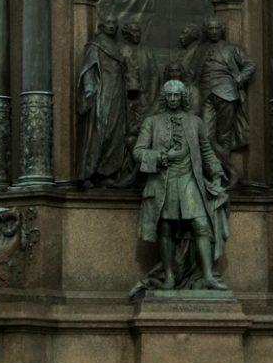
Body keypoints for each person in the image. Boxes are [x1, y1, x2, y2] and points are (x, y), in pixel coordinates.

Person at [135, 80, 228, 291]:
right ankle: (169, 276)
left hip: (189, 180)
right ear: (164, 97)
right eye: (169, 96)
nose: (173, 99)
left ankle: (207, 276)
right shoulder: (152, 122)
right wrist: (160, 157)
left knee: (201, 224)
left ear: (183, 97)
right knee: (165, 227)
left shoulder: (195, 122)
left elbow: (206, 151)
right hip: (163, 180)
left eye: (177, 95)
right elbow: (138, 151)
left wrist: (216, 172)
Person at [198, 19, 255, 181]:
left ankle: (220, 175)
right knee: (206, 136)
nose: (213, 31)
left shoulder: (231, 48)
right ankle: (231, 171)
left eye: (216, 28)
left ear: (221, 30)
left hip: (227, 92)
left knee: (224, 136)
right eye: (210, 28)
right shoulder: (201, 50)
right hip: (206, 94)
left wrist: (239, 78)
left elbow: (249, 64)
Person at [76, 15, 129, 186]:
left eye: (114, 23)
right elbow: (89, 69)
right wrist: (90, 91)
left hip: (117, 94)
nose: (112, 26)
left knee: (115, 132)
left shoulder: (116, 47)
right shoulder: (95, 45)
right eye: (108, 23)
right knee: (100, 132)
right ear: (101, 25)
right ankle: (88, 173)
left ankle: (107, 172)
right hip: (102, 94)